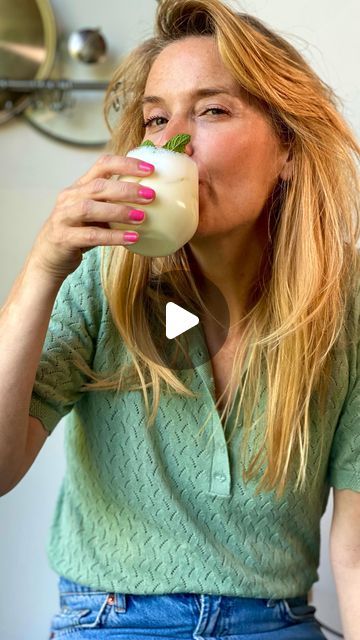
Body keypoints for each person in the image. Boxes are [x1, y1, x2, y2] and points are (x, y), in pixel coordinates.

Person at [0, 0, 359, 638]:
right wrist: (44, 266)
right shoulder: (100, 277)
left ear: (288, 147)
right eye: (157, 118)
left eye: (212, 109)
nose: (174, 141)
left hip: (276, 623)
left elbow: (356, 552)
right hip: (113, 620)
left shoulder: (345, 301)